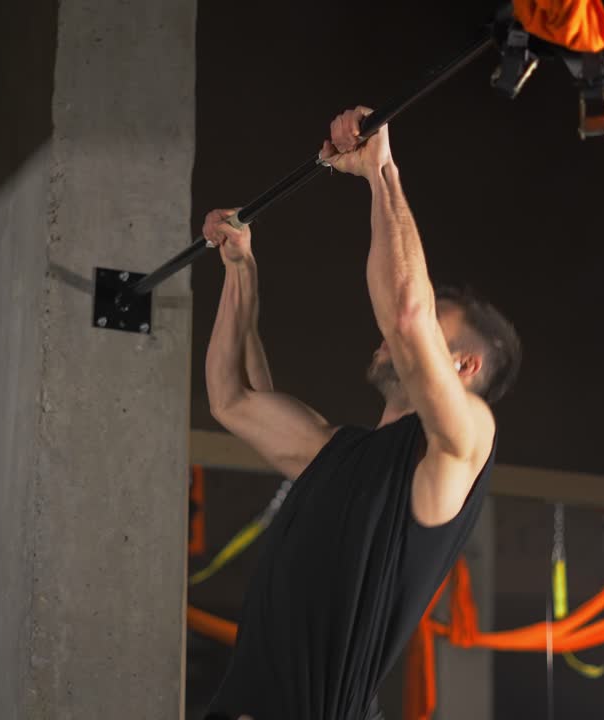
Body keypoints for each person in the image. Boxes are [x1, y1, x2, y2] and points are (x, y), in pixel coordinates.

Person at [201, 106, 522, 720]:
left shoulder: (464, 445)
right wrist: (240, 268)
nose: (405, 336)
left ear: (463, 369)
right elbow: (231, 397)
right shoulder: (337, 453)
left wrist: (382, 174)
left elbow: (406, 315)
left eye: (437, 329)